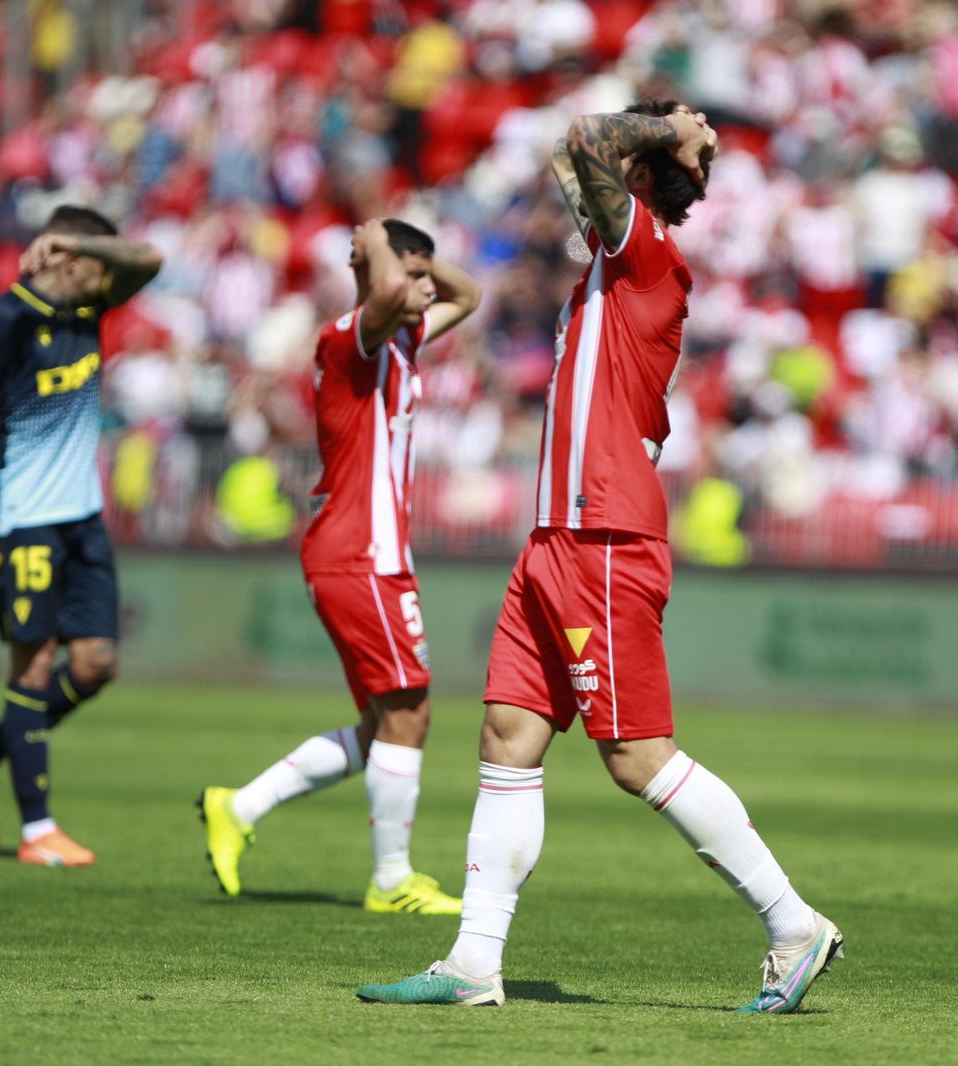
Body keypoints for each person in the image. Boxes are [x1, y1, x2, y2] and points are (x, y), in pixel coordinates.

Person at [356, 100, 842, 1012]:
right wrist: (669, 131)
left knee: (638, 757)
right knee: (506, 736)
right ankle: (472, 963)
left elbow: (585, 140)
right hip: (556, 539)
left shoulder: (649, 256)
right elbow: (567, 151)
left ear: (640, 178)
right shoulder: (613, 262)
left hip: (606, 535)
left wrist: (676, 132)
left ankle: (793, 923)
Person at [199, 219, 481, 913]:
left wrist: (414, 259)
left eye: (426, 275)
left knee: (382, 723)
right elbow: (386, 287)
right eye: (413, 275)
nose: (424, 287)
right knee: (408, 712)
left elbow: (468, 296)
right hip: (358, 552)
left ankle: (238, 807)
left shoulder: (406, 339)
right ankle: (391, 882)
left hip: (375, 554)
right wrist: (376, 246)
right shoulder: (347, 338)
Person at [0, 206, 163, 867]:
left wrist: (85, 243)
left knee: (96, 665)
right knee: (33, 668)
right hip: (23, 516)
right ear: (66, 263)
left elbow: (149, 260)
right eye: (99, 262)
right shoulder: (6, 318)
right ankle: (37, 830)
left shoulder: (91, 307)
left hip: (82, 516)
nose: (110, 273)